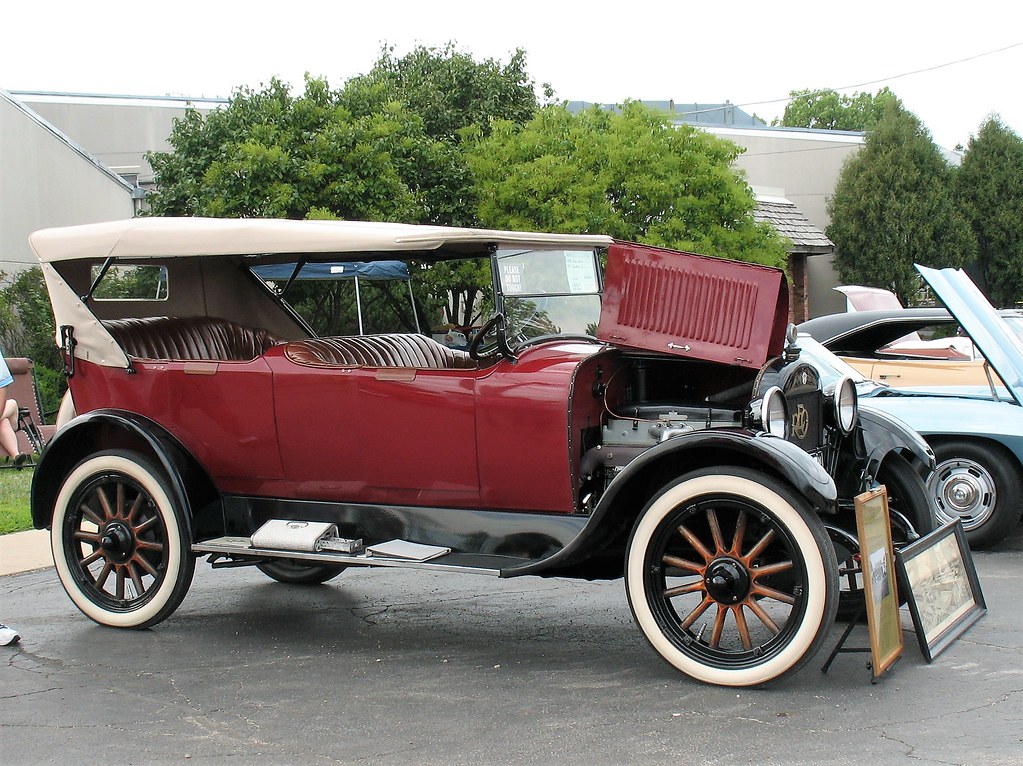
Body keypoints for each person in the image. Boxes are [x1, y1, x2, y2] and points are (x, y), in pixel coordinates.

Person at [0, 354, 29, 468]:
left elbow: (2, 385)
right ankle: (16, 455)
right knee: (3, 422)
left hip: (6, 412)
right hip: (5, 419)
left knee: (12, 403)